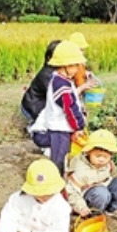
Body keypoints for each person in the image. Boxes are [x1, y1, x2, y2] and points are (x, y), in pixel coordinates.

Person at [0, 159, 71, 232]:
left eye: (47, 195)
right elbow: (9, 214)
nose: (42, 197)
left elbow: (59, 229)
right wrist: (6, 231)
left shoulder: (61, 206)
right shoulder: (18, 198)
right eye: (37, 194)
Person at [29, 40, 88, 175]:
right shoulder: (62, 85)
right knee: (60, 161)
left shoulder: (59, 80)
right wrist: (79, 126)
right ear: (65, 66)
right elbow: (69, 108)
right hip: (59, 130)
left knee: (61, 158)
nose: (78, 69)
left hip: (60, 128)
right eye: (75, 65)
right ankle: (57, 184)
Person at [64, 129, 117, 219]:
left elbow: (115, 172)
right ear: (88, 152)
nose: (102, 159)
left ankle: (112, 210)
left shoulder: (108, 164)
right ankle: (95, 214)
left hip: (103, 188)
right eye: (98, 156)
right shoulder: (80, 169)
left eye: (106, 157)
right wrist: (81, 207)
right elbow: (71, 191)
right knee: (101, 193)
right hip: (87, 195)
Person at [21, 40, 61, 125]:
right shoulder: (47, 75)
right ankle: (33, 126)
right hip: (33, 107)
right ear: (49, 57)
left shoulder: (57, 71)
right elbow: (59, 96)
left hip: (40, 104)